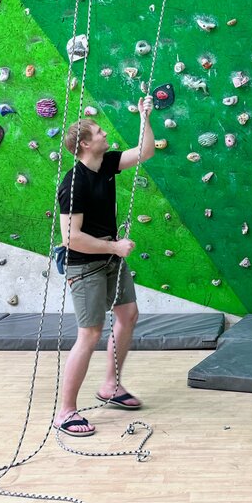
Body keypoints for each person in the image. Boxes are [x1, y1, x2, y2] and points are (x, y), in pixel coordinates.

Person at [54, 95, 156, 437]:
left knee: (128, 315)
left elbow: (145, 152)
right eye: (99, 132)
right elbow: (71, 238)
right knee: (90, 333)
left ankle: (111, 386)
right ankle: (66, 412)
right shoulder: (73, 183)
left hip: (111, 259)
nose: (104, 134)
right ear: (85, 144)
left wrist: (144, 117)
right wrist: (114, 246)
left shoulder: (107, 164)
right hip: (85, 266)